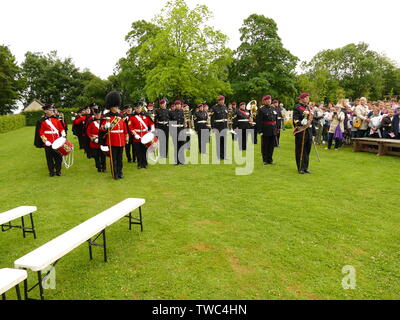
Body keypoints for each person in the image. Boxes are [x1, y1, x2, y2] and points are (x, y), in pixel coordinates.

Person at [99, 91, 129, 180]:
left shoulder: (120, 117)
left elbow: (124, 128)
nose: (117, 108)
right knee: (113, 159)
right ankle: (115, 174)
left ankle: (120, 172)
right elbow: (101, 129)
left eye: (117, 106)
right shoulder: (106, 117)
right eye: (115, 106)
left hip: (121, 140)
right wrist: (105, 126)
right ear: (111, 107)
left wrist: (126, 136)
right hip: (112, 140)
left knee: (120, 159)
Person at [36, 104, 66, 177]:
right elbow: (41, 133)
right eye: (50, 110)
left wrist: (63, 133)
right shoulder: (42, 121)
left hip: (57, 142)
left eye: (52, 110)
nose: (52, 111)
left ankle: (58, 171)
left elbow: (61, 128)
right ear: (45, 111)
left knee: (58, 157)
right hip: (48, 143)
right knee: (49, 158)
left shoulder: (57, 119)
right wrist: (45, 141)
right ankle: (51, 172)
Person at [128, 103, 155, 169]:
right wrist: (135, 134)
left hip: (145, 135)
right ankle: (139, 164)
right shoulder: (131, 117)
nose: (138, 109)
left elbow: (151, 123)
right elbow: (130, 127)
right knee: (138, 151)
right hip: (137, 136)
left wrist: (152, 128)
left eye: (139, 108)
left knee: (145, 150)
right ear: (134, 108)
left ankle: (145, 163)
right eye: (137, 108)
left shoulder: (145, 115)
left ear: (141, 108)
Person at [293, 93, 313, 174]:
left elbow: (311, 119)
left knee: (307, 150)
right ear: (302, 99)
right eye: (306, 97)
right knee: (300, 150)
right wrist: (301, 123)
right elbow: (295, 120)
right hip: (301, 131)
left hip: (308, 131)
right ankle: (300, 167)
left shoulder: (308, 107)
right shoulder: (297, 108)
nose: (308, 99)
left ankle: (305, 167)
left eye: (308, 97)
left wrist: (313, 132)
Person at [257, 95, 277, 165]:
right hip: (265, 129)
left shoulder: (273, 108)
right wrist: (260, 131)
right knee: (265, 145)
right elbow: (259, 121)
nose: (269, 101)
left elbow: (275, 119)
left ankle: (270, 159)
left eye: (270, 99)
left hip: (273, 129)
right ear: (264, 101)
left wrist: (276, 128)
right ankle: (265, 160)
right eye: (267, 100)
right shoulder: (261, 109)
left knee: (271, 145)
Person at [86, 108, 106, 172]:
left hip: (102, 141)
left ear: (101, 114)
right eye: (96, 114)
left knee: (103, 155)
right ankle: (99, 167)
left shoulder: (103, 121)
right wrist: (92, 138)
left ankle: (104, 167)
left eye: (99, 114)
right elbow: (88, 132)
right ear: (94, 114)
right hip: (94, 142)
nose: (97, 115)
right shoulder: (91, 122)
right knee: (96, 156)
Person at [210, 96, 228, 160]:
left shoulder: (225, 107)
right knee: (218, 141)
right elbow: (212, 119)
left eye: (223, 100)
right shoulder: (214, 108)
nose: (222, 101)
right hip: (217, 126)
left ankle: (224, 156)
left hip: (224, 126)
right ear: (218, 101)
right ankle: (218, 156)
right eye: (221, 100)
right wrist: (213, 128)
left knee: (224, 141)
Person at [169, 100, 186, 165]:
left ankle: (182, 160)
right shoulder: (171, 112)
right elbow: (170, 123)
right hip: (174, 130)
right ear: (175, 105)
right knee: (176, 146)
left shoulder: (182, 112)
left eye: (179, 104)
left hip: (181, 129)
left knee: (182, 145)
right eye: (177, 104)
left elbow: (184, 121)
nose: (178, 106)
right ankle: (176, 161)